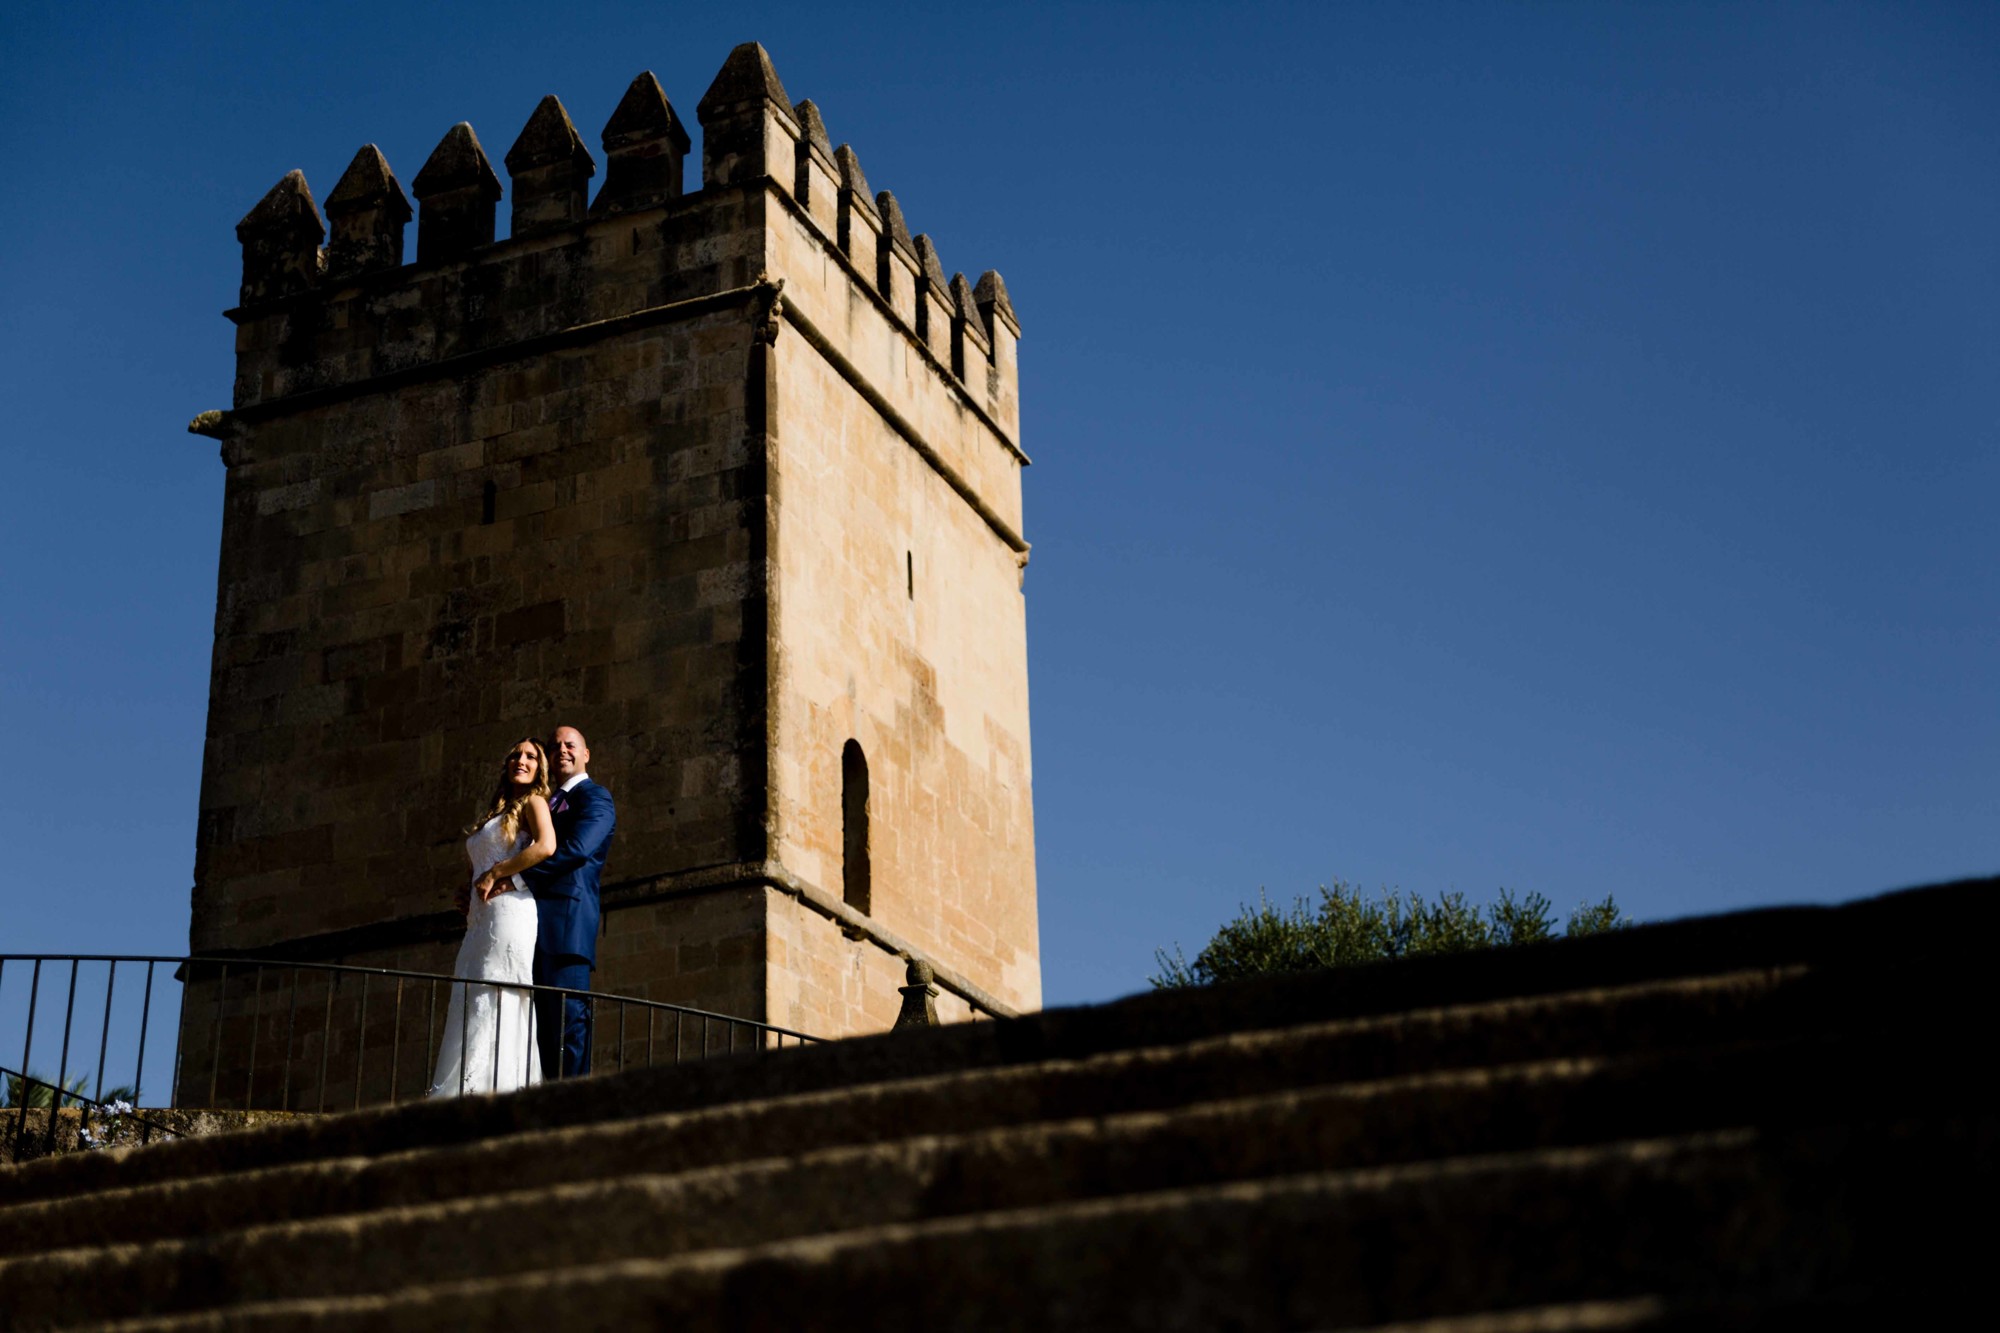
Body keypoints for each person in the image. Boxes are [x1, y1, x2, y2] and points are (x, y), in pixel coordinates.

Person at [429, 737, 556, 1097]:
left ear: (539, 769)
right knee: (472, 992)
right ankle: (463, 1089)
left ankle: (490, 1090)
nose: (522, 759)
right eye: (516, 754)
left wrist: (495, 873)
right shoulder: (498, 812)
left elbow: (546, 846)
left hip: (510, 914)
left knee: (497, 992)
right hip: (480, 921)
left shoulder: (534, 802)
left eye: (531, 756)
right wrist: (467, 889)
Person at [511, 725, 616, 1079]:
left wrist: (515, 876)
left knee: (569, 1025)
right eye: (554, 747)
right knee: (538, 1030)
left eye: (570, 745)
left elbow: (577, 850)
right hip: (528, 927)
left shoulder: (595, 797)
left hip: (566, 928)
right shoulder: (542, 802)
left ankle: (571, 1109)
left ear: (586, 754)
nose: (562, 751)